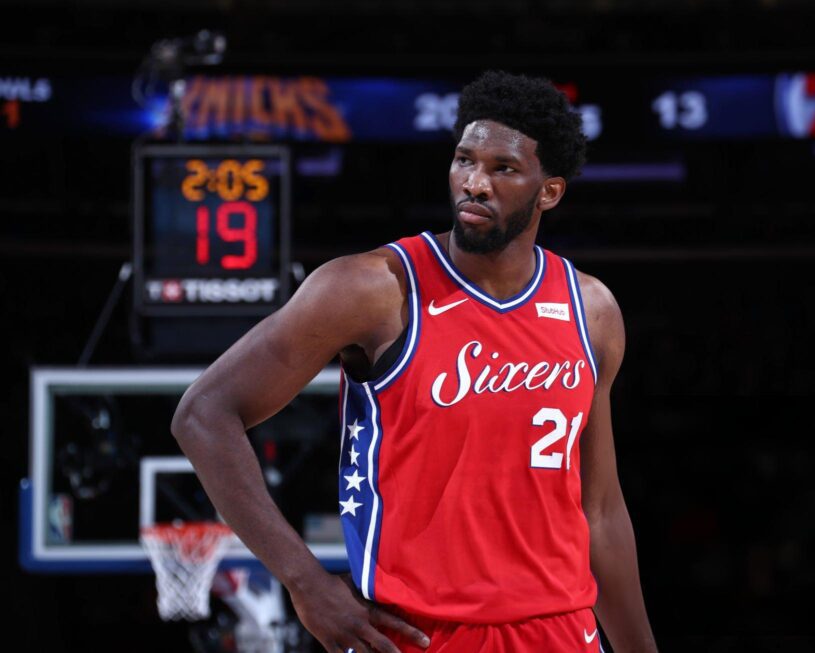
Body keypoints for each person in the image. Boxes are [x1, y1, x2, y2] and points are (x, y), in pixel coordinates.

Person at [172, 70, 658, 653]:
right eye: (464, 160)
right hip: (417, 633)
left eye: (502, 169)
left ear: (548, 191)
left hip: (560, 630)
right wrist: (305, 583)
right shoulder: (372, 289)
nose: (475, 183)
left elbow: (599, 512)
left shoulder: (592, 310)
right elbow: (203, 415)